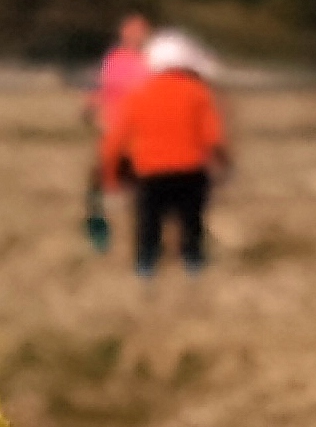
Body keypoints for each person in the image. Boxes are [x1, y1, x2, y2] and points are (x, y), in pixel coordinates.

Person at [98, 30, 228, 275]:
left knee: (149, 225)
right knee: (191, 224)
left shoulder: (138, 95)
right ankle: (194, 266)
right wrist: (223, 164)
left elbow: (114, 142)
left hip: (149, 173)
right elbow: (214, 137)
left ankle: (146, 267)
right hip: (191, 172)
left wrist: (111, 178)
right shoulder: (199, 93)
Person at [82, 15, 153, 252]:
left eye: (139, 33)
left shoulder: (152, 62)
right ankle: (99, 236)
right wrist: (91, 106)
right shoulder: (113, 59)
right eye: (129, 33)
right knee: (99, 185)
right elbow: (101, 87)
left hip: (142, 136)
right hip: (112, 131)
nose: (134, 37)